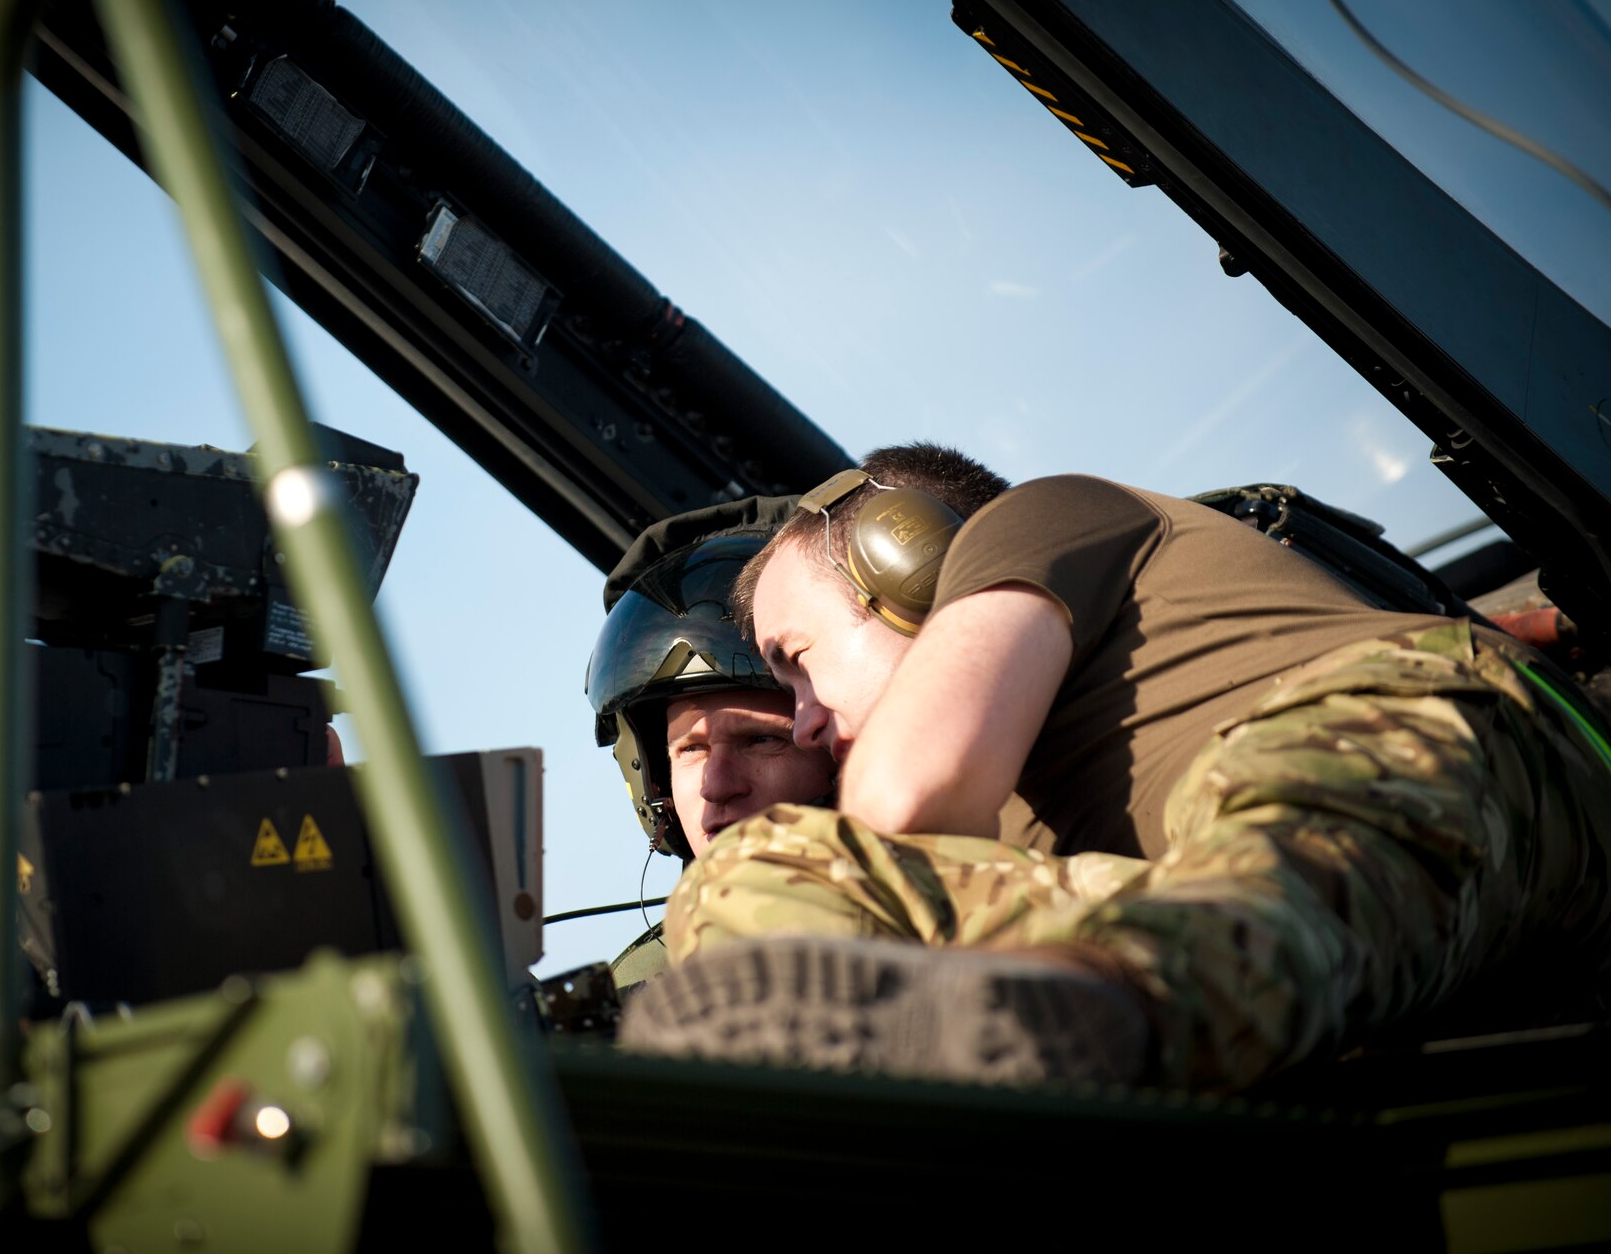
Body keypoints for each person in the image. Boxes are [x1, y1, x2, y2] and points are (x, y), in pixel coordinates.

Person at [621, 443, 1611, 1090]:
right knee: (743, 884)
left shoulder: (1040, 522)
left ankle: (1078, 1016)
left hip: (1421, 727)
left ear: (904, 566)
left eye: (795, 661)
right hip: (1264, 912)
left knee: (1272, 852)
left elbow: (900, 799)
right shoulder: (1017, 813)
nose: (797, 725)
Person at [586, 496, 836, 990]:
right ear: (652, 780)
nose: (715, 788)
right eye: (690, 750)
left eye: (761, 740)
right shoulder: (634, 995)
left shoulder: (970, 934)